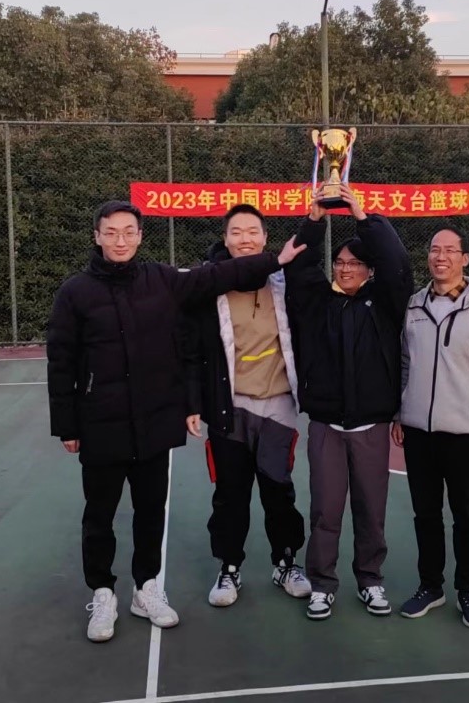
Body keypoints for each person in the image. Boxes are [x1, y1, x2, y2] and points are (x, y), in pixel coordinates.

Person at [47, 200, 305, 643]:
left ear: (140, 236)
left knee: (151, 511)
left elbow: (217, 276)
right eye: (111, 232)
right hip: (101, 424)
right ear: (97, 236)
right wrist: (67, 425)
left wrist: (274, 261)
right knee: (100, 515)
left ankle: (146, 589)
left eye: (128, 232)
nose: (120, 240)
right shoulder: (75, 292)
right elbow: (61, 361)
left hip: (154, 421)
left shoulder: (162, 280)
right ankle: (103, 593)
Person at [284, 184, 413, 620]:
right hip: (326, 426)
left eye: (355, 263)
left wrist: (362, 215)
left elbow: (397, 263)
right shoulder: (317, 302)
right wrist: (315, 219)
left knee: (370, 510)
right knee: (325, 510)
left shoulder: (385, 304)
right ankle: (322, 584)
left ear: (369, 270)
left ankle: (370, 580)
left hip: (370, 427)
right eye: (339, 262)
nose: (345, 269)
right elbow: (299, 264)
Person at [185, 204, 312, 608]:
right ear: (225, 239)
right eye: (236, 232)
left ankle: (285, 562)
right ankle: (229, 567)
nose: (245, 239)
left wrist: (317, 216)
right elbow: (192, 351)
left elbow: (310, 250)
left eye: (253, 231)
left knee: (279, 491)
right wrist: (193, 402)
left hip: (278, 405)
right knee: (230, 494)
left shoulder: (283, 280)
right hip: (230, 407)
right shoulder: (208, 284)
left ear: (265, 238)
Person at [391, 227, 469, 629]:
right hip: (417, 431)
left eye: (449, 251)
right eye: (434, 250)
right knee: (425, 513)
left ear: (464, 259)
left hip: (464, 433)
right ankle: (431, 586)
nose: (440, 257)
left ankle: (468, 590)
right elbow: (405, 364)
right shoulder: (414, 306)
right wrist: (400, 412)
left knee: (466, 514)